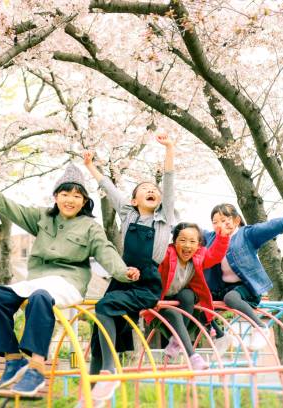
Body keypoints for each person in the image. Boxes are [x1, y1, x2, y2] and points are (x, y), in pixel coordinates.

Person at [0, 164, 139, 397]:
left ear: (84, 201)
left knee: (40, 297)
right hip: (38, 279)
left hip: (68, 283)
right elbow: (14, 210)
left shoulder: (90, 227)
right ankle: (13, 359)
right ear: (56, 197)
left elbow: (106, 252)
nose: (70, 200)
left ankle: (38, 366)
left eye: (77, 196)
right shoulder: (42, 218)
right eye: (65, 194)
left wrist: (124, 272)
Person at [82, 133, 176, 402]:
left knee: (104, 307)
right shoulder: (128, 214)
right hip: (123, 277)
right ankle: (92, 395)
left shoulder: (164, 218)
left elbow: (168, 182)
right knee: (99, 325)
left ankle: (110, 370)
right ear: (133, 200)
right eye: (145, 189)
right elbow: (108, 188)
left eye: (154, 191)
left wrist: (169, 149)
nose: (152, 191)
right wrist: (91, 167)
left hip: (146, 281)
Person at [204, 204, 283, 355]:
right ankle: (220, 335)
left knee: (231, 297)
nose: (219, 224)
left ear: (236, 221)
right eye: (215, 222)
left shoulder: (245, 235)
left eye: (224, 220)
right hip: (222, 289)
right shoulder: (210, 238)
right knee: (200, 298)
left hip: (246, 288)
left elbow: (265, 229)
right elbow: (191, 232)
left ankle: (260, 327)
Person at [145, 222, 231, 370]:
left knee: (188, 295)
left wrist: (223, 237)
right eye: (182, 240)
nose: (187, 246)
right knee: (174, 313)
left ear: (198, 245)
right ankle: (192, 356)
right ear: (174, 242)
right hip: (159, 304)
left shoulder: (198, 257)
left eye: (192, 241)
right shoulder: (166, 255)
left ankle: (176, 342)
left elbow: (215, 256)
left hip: (181, 304)